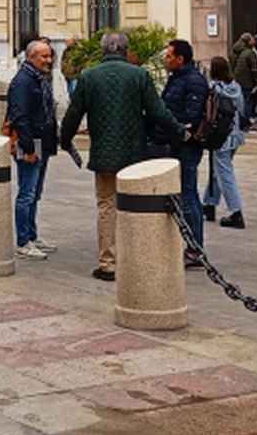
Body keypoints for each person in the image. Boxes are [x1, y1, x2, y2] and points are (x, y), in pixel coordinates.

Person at [59, 32, 181, 282]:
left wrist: (65, 138)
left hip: (103, 151)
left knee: (106, 205)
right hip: (134, 152)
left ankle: (109, 262)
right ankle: (136, 256)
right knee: (135, 206)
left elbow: (73, 113)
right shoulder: (139, 76)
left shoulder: (88, 77)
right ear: (126, 51)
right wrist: (179, 131)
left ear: (104, 51)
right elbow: (158, 111)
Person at [7, 38, 58, 260]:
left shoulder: (39, 78)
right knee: (26, 193)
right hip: (30, 142)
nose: (49, 60)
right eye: (44, 56)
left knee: (35, 193)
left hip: (42, 141)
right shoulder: (23, 81)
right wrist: (27, 147)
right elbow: (19, 115)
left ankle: (32, 235)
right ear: (31, 57)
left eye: (49, 56)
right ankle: (22, 241)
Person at [160, 40, 210, 264]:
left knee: (188, 195)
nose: (165, 59)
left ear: (180, 59)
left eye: (169, 56)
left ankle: (195, 248)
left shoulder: (193, 81)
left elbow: (191, 115)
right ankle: (191, 244)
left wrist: (176, 128)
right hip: (175, 143)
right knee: (185, 194)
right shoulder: (177, 78)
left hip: (187, 146)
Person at [204, 56, 247, 230]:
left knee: (224, 173)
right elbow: (242, 109)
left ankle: (236, 212)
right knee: (218, 170)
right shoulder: (235, 87)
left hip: (219, 135)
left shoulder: (213, 88)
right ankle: (209, 203)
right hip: (235, 134)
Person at [231, 33, 257, 126]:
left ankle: (239, 121)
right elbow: (254, 69)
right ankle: (245, 122)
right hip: (248, 81)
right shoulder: (249, 52)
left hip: (237, 80)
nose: (254, 40)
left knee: (239, 102)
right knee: (247, 101)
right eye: (252, 39)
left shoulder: (234, 51)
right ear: (248, 41)